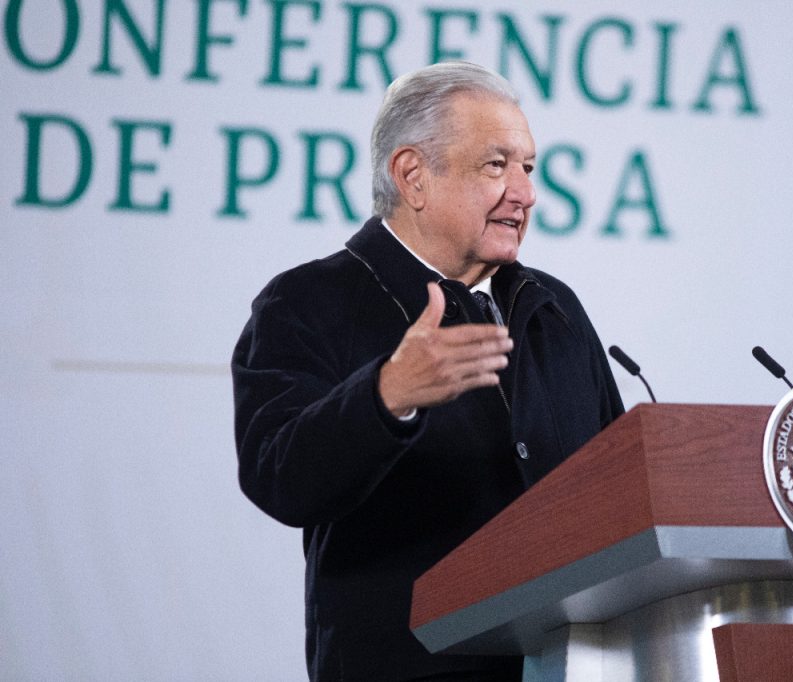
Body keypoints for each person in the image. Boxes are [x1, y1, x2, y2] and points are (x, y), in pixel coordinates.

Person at [231, 61, 624, 681]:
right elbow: (279, 476)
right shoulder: (307, 302)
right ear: (413, 176)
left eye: (528, 167)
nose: (524, 193)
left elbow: (616, 486)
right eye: (495, 165)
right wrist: (386, 396)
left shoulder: (553, 309)